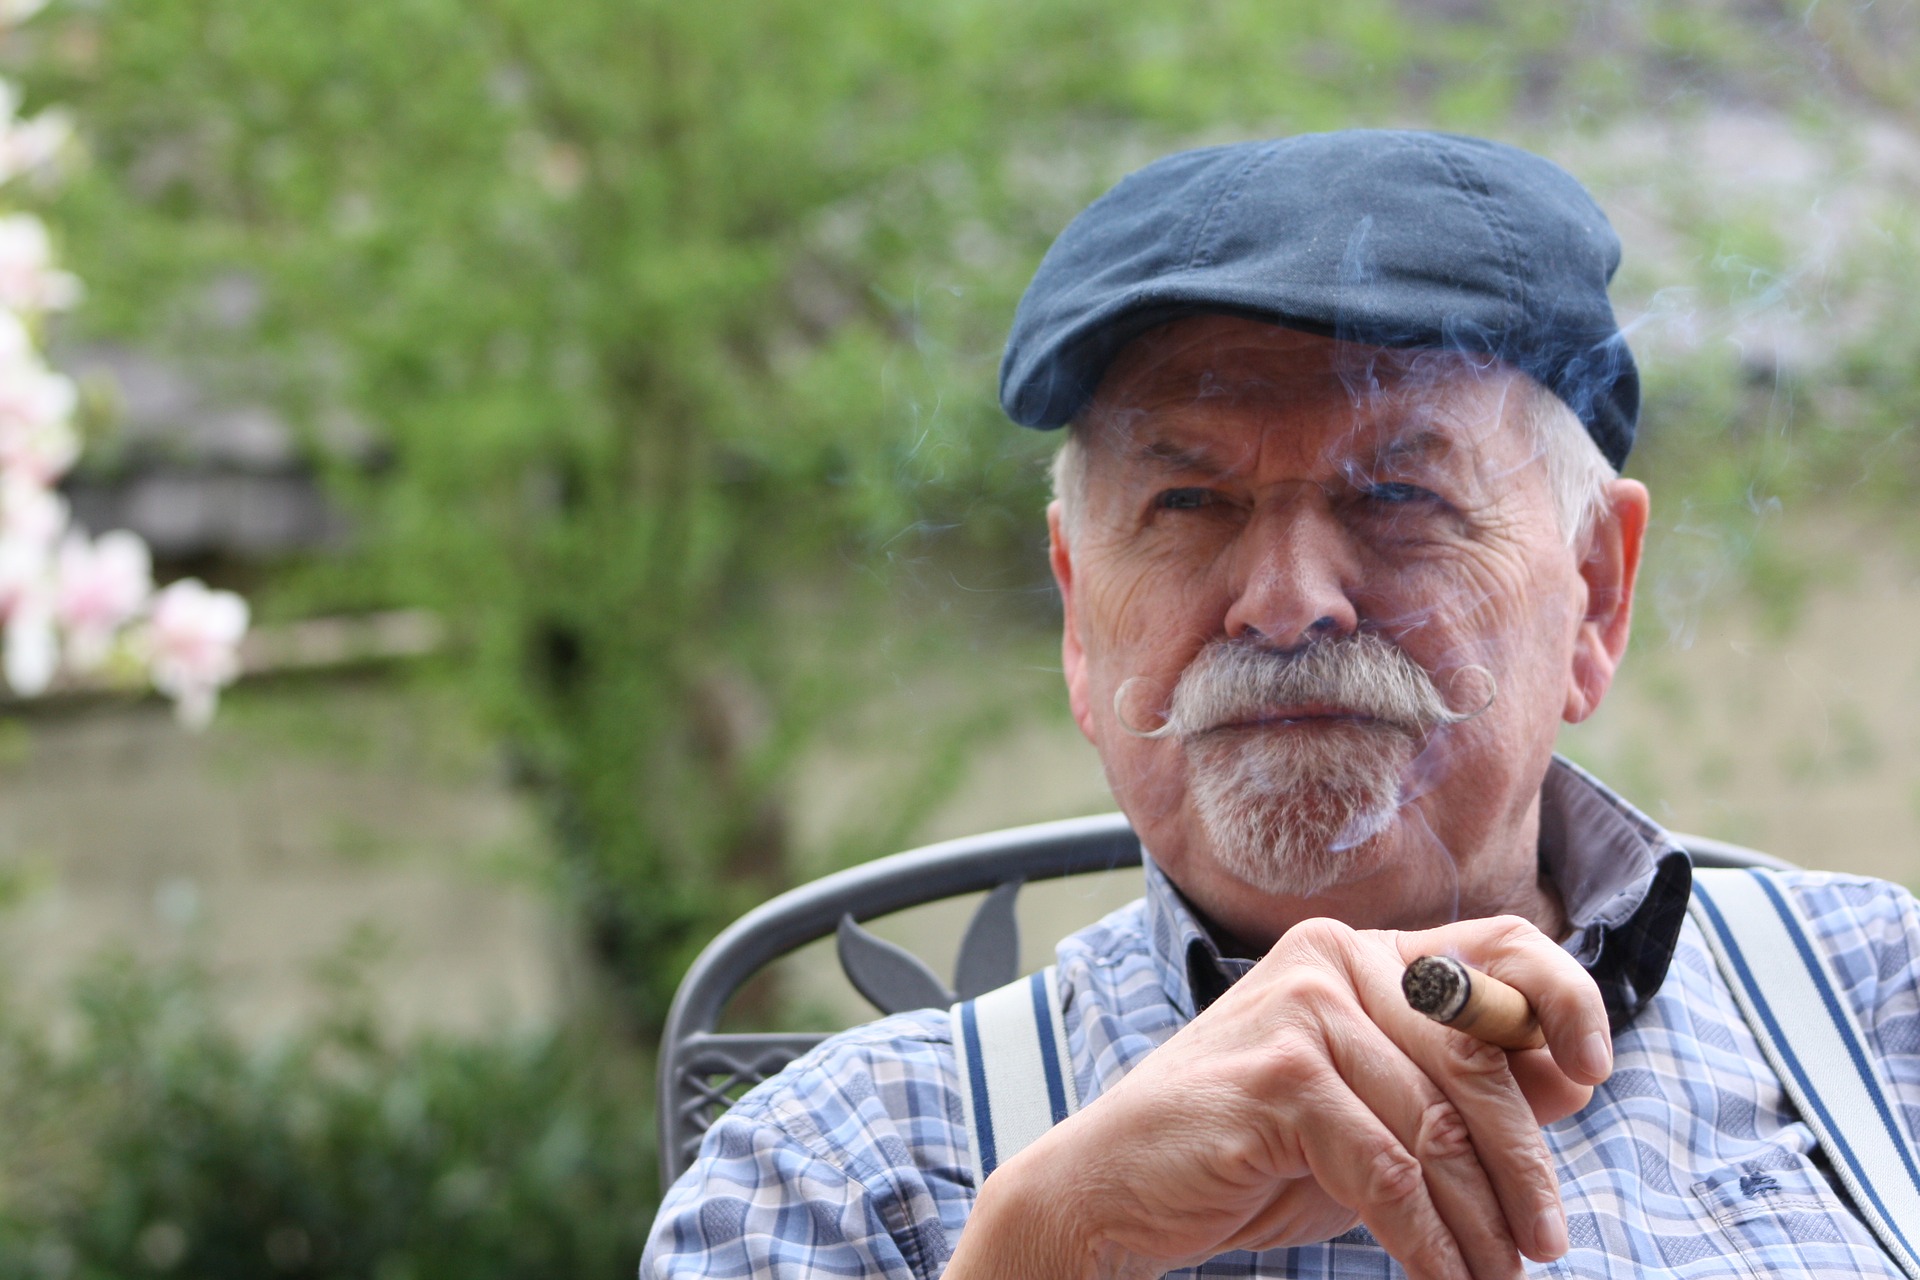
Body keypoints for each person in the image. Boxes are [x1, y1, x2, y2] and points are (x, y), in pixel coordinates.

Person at [641, 131, 1920, 1278]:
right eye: (1188, 503)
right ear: (1081, 617)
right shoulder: (834, 1166)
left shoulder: (1880, 1009)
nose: (1287, 600)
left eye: (1397, 496)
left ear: (1593, 592)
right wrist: (1052, 1243)